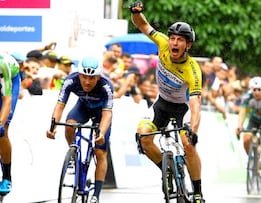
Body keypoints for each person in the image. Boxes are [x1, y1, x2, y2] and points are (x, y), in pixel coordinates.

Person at [129, 1, 205, 202]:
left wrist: (193, 130)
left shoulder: (193, 69)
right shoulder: (162, 43)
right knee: (143, 137)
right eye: (172, 38)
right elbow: (142, 25)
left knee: (188, 145)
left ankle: (197, 191)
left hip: (183, 108)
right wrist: (136, 12)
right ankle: (167, 170)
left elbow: (196, 105)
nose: (174, 43)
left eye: (180, 40)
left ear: (188, 45)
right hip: (161, 103)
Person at [46, 56, 114, 203]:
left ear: (98, 77)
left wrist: (101, 132)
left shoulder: (106, 85)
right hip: (82, 107)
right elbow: (60, 105)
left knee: (100, 152)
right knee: (70, 124)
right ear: (78, 75)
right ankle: (73, 152)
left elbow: (107, 113)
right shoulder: (71, 80)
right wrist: (53, 126)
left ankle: (96, 194)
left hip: (100, 113)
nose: (87, 82)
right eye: (84, 77)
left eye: (92, 78)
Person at [236, 76, 261, 178]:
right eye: (254, 90)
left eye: (259, 90)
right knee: (246, 139)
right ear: (251, 90)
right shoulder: (247, 97)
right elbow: (242, 113)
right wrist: (239, 126)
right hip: (253, 120)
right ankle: (252, 159)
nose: (257, 92)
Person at [0, 53, 21, 195]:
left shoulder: (2, 65)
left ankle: (7, 177)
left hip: (10, 79)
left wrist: (0, 123)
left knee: (3, 131)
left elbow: (7, 100)